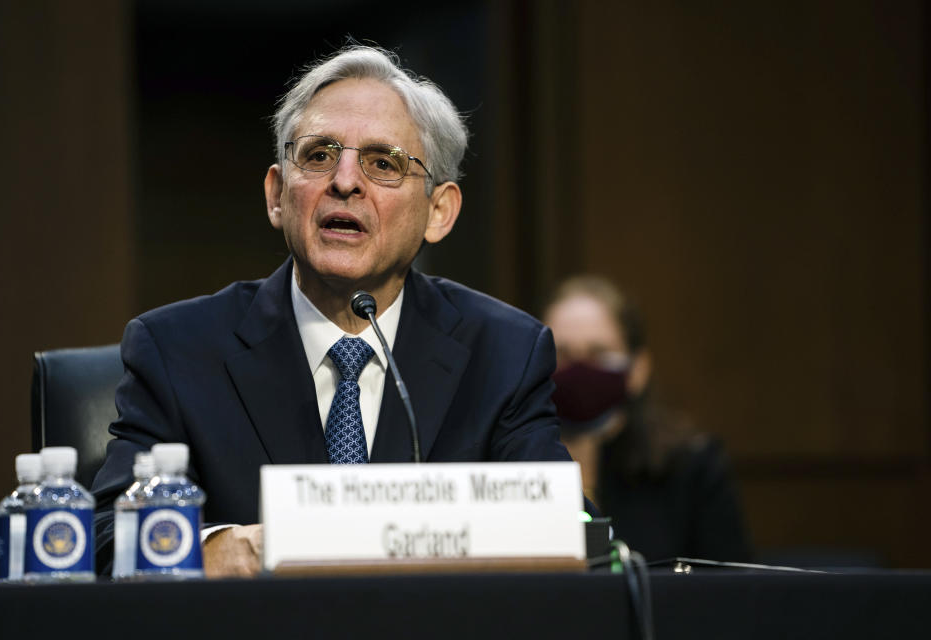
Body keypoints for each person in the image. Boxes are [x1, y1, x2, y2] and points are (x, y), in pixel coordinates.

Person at [91, 45, 582, 577]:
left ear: (438, 212)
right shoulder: (177, 350)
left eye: (382, 163)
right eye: (319, 155)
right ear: (278, 196)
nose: (345, 181)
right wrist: (222, 549)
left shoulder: (504, 354)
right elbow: (104, 538)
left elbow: (566, 527)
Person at [543, 275, 751, 562]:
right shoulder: (508, 462)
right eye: (562, 353)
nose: (578, 368)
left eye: (598, 353)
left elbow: (733, 583)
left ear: (638, 369)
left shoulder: (691, 465)